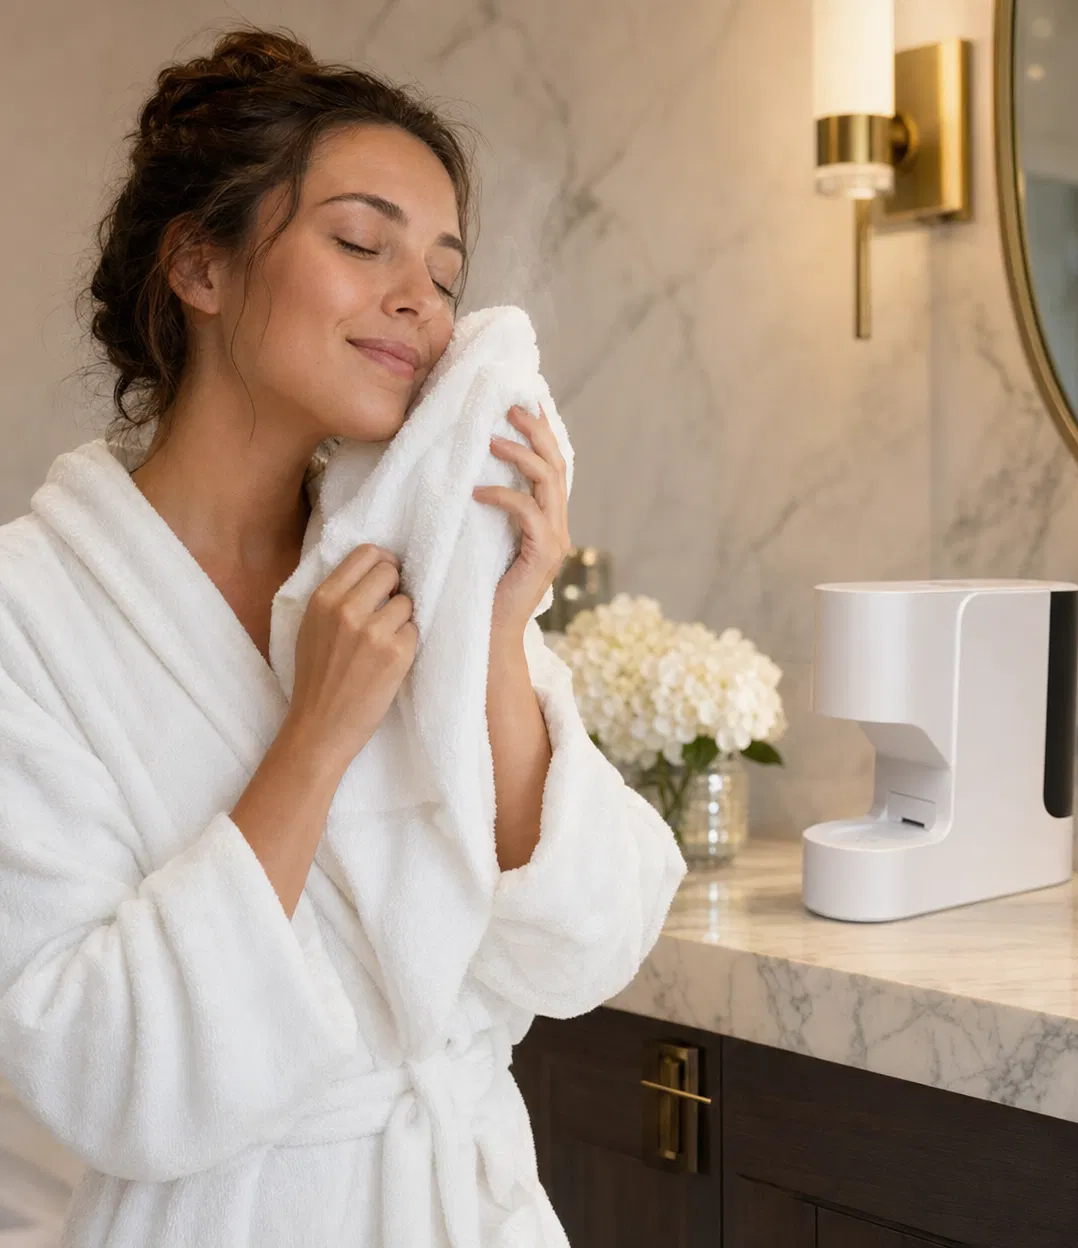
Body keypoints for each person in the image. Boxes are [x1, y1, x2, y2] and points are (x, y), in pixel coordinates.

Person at [0, 26, 687, 1248]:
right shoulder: (29, 614)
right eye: (362, 242)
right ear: (202, 268)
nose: (419, 300)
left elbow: (589, 947)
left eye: (443, 269)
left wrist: (491, 642)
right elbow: (100, 1069)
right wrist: (314, 737)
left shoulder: (424, 558)